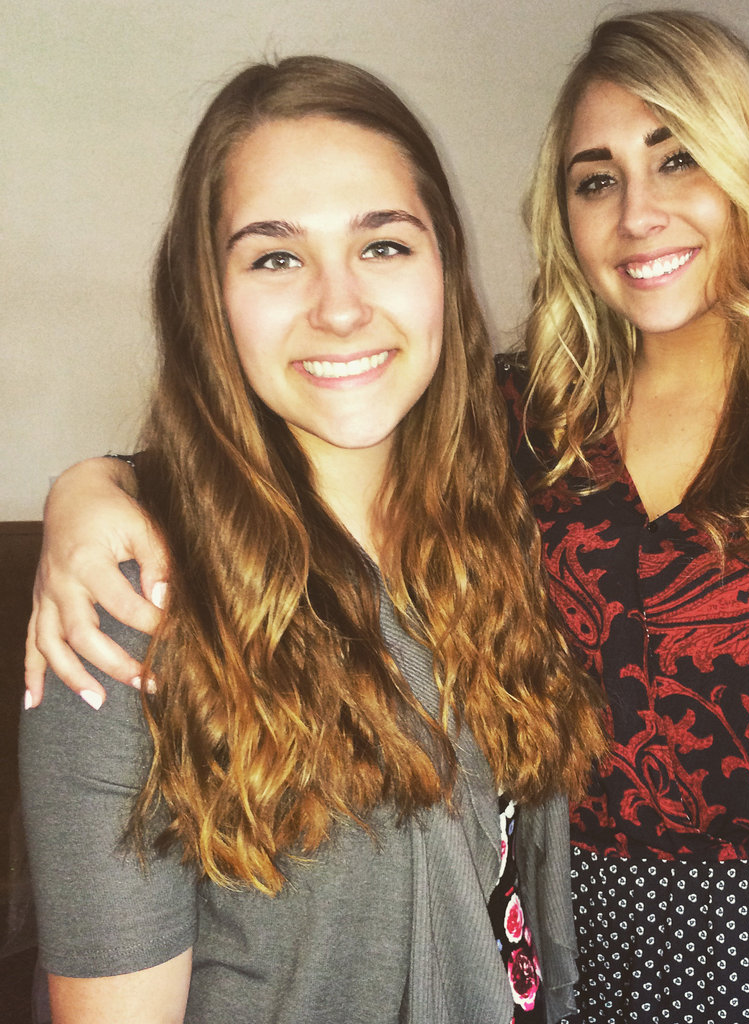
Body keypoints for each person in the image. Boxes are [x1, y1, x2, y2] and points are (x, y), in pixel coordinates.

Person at [25, 11, 749, 1024]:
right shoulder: (522, 416)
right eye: (596, 180)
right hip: (567, 945)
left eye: (678, 159)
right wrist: (90, 492)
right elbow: (281, 443)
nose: (637, 214)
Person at [19, 55, 605, 1024]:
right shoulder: (127, 612)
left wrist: (88, 477)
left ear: (444, 268)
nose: (339, 307)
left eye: (383, 245)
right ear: (208, 297)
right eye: (276, 257)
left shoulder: (498, 531)